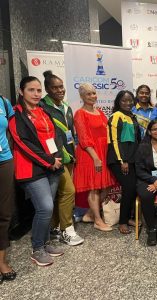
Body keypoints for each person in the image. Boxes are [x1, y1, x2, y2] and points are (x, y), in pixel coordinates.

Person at [9, 76, 64, 266]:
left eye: (38, 90)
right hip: (32, 169)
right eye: (31, 90)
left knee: (45, 210)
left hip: (52, 165)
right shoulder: (16, 116)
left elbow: (56, 135)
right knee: (45, 207)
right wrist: (49, 161)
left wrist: (57, 158)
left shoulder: (43, 111)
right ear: (21, 91)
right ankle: (37, 248)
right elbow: (25, 144)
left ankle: (46, 242)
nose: (36, 94)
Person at [40, 71, 84, 246]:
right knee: (68, 191)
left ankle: (55, 227)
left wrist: (72, 152)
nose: (60, 90)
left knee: (61, 193)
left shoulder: (66, 107)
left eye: (61, 87)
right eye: (55, 87)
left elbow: (69, 133)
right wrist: (53, 156)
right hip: (54, 157)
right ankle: (67, 229)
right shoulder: (43, 107)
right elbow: (46, 135)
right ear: (47, 89)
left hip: (69, 155)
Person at [73, 83, 115, 232]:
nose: (92, 96)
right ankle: (98, 220)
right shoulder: (80, 113)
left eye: (94, 93)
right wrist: (95, 157)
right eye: (88, 94)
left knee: (106, 185)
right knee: (94, 187)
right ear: (82, 96)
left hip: (103, 151)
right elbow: (83, 138)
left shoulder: (100, 112)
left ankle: (90, 214)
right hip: (90, 154)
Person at [107, 90, 141, 234]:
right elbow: (114, 141)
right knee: (128, 188)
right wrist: (123, 161)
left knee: (132, 188)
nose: (128, 103)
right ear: (118, 102)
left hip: (132, 160)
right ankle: (122, 222)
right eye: (124, 101)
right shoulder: (116, 117)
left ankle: (127, 218)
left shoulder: (131, 116)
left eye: (130, 100)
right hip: (119, 160)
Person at [0, 95, 16, 280]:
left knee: (4, 214)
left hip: (4, 160)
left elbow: (11, 130)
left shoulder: (3, 102)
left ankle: (2, 261)